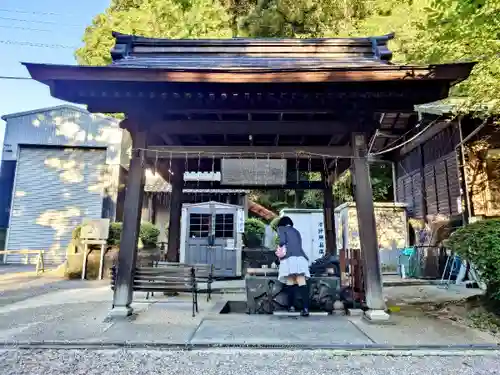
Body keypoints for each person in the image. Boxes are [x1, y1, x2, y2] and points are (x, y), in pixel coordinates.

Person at [275, 216, 310, 316]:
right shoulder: (296, 231)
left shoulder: (281, 229)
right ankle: (306, 308)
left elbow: (282, 241)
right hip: (301, 259)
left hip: (289, 258)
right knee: (301, 282)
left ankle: (291, 306)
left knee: (290, 281)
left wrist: (279, 249)